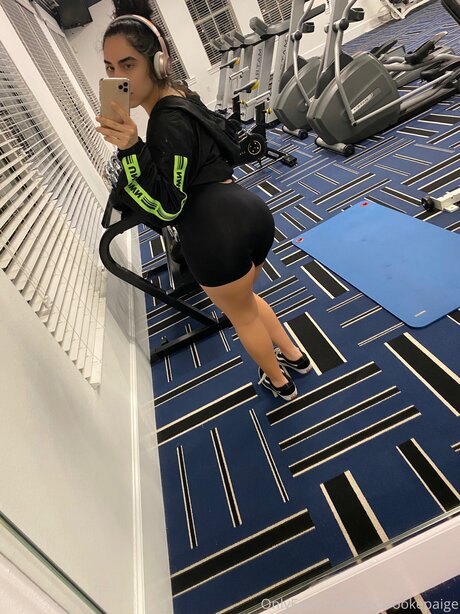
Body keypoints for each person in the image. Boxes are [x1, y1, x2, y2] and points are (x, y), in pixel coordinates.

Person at [95, 0, 311, 401]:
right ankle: (295, 356)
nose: (118, 77)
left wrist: (131, 149)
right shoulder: (181, 95)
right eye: (110, 68)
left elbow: (167, 208)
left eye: (128, 64)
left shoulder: (165, 122)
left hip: (216, 236)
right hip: (249, 213)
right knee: (247, 302)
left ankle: (280, 383)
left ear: (157, 63)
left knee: (241, 315)